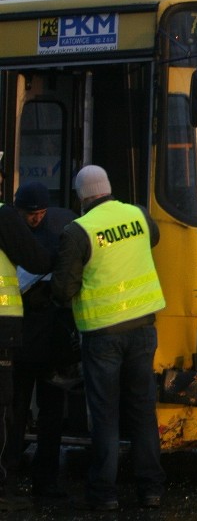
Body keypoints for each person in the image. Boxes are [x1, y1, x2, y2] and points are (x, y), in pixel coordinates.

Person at [50, 165, 166, 511]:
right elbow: (153, 239)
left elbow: (63, 288)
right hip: (143, 328)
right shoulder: (139, 216)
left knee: (105, 415)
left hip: (102, 335)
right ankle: (151, 490)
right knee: (143, 410)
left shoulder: (79, 230)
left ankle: (105, 494)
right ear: (108, 188)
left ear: (82, 197)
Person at [8, 182, 77, 501]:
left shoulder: (59, 228)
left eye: (39, 214)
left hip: (45, 341)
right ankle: (13, 474)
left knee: (49, 415)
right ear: (17, 209)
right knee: (16, 412)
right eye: (29, 214)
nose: (34, 219)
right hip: (23, 340)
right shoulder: (51, 229)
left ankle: (45, 480)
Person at [0, 188, 52, 512]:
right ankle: (3, 486)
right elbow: (35, 259)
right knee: (3, 408)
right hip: (2, 325)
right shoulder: (4, 214)